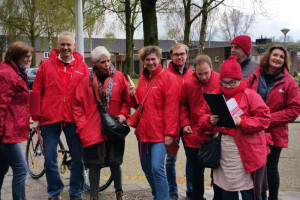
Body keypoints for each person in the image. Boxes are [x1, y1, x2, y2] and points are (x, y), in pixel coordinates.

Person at [200, 56, 271, 200]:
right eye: (224, 82)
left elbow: (265, 119)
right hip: (223, 153)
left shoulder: (250, 95)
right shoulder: (215, 95)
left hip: (246, 151)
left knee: (249, 192)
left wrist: (242, 122)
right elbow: (201, 117)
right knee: (227, 191)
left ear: (240, 80)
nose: (227, 86)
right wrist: (209, 120)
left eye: (232, 82)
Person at [32, 31, 89, 200]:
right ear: (58, 45)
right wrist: (36, 118)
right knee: (50, 158)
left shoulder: (82, 66)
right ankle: (55, 192)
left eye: (68, 44)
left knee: (78, 160)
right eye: (62, 44)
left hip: (74, 118)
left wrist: (87, 119)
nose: (65, 47)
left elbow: (87, 94)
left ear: (74, 46)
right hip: (50, 118)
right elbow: (36, 91)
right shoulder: (46, 65)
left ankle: (75, 193)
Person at [73, 46, 130, 200]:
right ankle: (94, 196)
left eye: (108, 61)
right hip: (92, 129)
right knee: (94, 164)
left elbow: (126, 100)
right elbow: (77, 105)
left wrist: (123, 115)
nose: (107, 64)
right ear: (94, 63)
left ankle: (119, 193)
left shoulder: (119, 77)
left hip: (114, 127)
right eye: (103, 62)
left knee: (115, 162)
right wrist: (82, 126)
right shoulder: (86, 81)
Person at [246, 45, 300, 200]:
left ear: (284, 61)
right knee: (255, 167)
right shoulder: (255, 76)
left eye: (281, 57)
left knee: (270, 168)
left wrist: (268, 120)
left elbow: (294, 109)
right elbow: (244, 94)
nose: (277, 58)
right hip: (254, 130)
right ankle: (260, 196)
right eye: (275, 55)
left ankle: (273, 197)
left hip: (275, 133)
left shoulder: (289, 82)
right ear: (268, 57)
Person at [128, 46, 179, 200]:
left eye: (153, 59)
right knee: (146, 168)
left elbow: (172, 108)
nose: (150, 62)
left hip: (160, 133)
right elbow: (139, 105)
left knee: (157, 168)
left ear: (159, 59)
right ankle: (157, 194)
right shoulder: (143, 79)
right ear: (143, 62)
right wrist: (132, 95)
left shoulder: (168, 78)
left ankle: (163, 197)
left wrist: (170, 133)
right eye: (147, 60)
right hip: (144, 131)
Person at [180, 55, 219, 200]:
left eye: (206, 73)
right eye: (200, 73)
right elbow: (182, 105)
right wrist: (184, 123)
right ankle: (197, 196)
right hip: (194, 133)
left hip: (215, 132)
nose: (203, 77)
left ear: (211, 68)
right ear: (194, 70)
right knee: (196, 170)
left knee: (217, 169)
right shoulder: (188, 84)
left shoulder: (220, 81)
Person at [0, 41, 34, 200]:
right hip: (7, 132)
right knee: (21, 169)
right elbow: (1, 104)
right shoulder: (8, 74)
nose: (29, 59)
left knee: (1, 168)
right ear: (15, 56)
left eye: (30, 56)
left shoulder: (16, 71)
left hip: (9, 130)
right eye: (25, 56)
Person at [165, 43, 193, 200]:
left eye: (182, 54)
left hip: (189, 124)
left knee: (191, 158)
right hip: (172, 124)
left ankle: (190, 188)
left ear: (187, 55)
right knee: (170, 159)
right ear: (171, 56)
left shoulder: (193, 75)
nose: (179, 57)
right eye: (176, 54)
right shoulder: (165, 75)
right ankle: (172, 190)